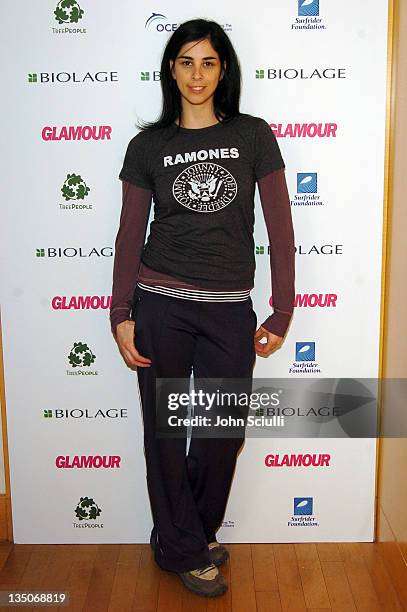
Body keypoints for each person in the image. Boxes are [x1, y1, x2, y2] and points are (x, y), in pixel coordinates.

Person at [110, 18, 295, 598]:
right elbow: (128, 235)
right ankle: (188, 545)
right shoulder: (149, 146)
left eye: (208, 62)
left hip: (227, 311)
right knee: (164, 433)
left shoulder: (253, 135)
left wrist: (282, 309)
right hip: (160, 304)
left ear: (223, 70)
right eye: (186, 62)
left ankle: (181, 535)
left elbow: (280, 227)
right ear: (171, 69)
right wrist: (120, 314)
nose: (197, 74)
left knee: (220, 433)